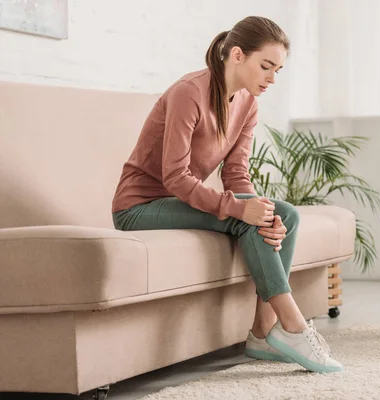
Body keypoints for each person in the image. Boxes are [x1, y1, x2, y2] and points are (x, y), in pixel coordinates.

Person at [111, 16, 342, 373]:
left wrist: (260, 208)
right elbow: (175, 177)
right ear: (237, 55)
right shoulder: (189, 92)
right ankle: (293, 325)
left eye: (278, 70)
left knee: (285, 215)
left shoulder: (247, 103)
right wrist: (238, 209)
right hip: (139, 207)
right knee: (246, 218)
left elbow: (236, 172)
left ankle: (262, 332)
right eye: (266, 66)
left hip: (178, 201)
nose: (271, 78)